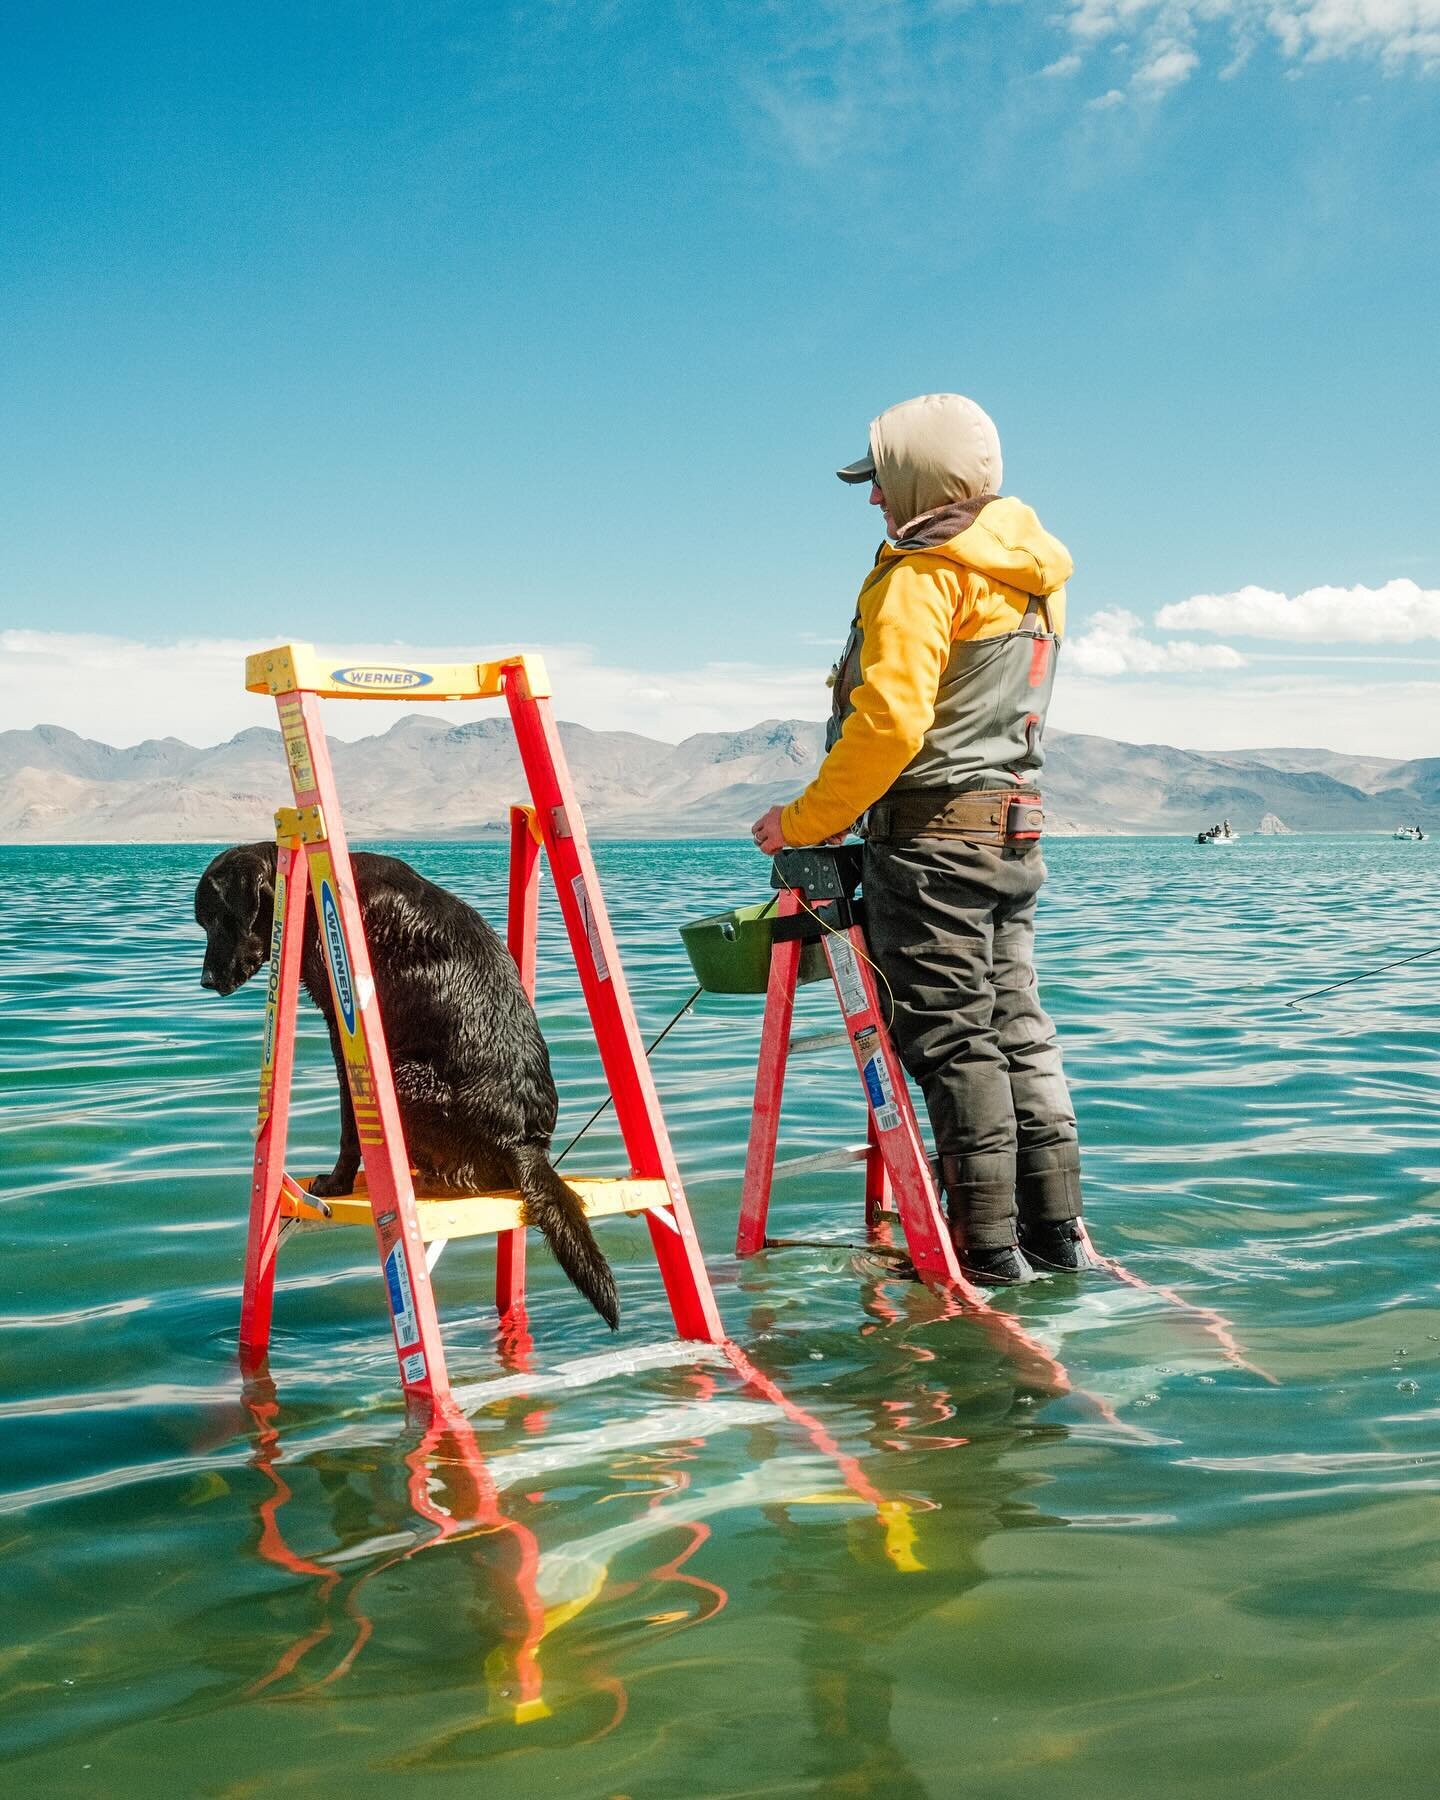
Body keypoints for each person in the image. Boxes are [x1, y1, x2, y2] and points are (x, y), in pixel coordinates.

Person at [751, 392, 1093, 1283]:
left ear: (921, 478)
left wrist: (800, 822)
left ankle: (986, 1252)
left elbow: (891, 727)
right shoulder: (1031, 574)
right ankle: (1056, 1234)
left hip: (932, 841)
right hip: (1013, 835)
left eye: (881, 482)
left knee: (950, 1039)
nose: (873, 501)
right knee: (1016, 1028)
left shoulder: (922, 573)